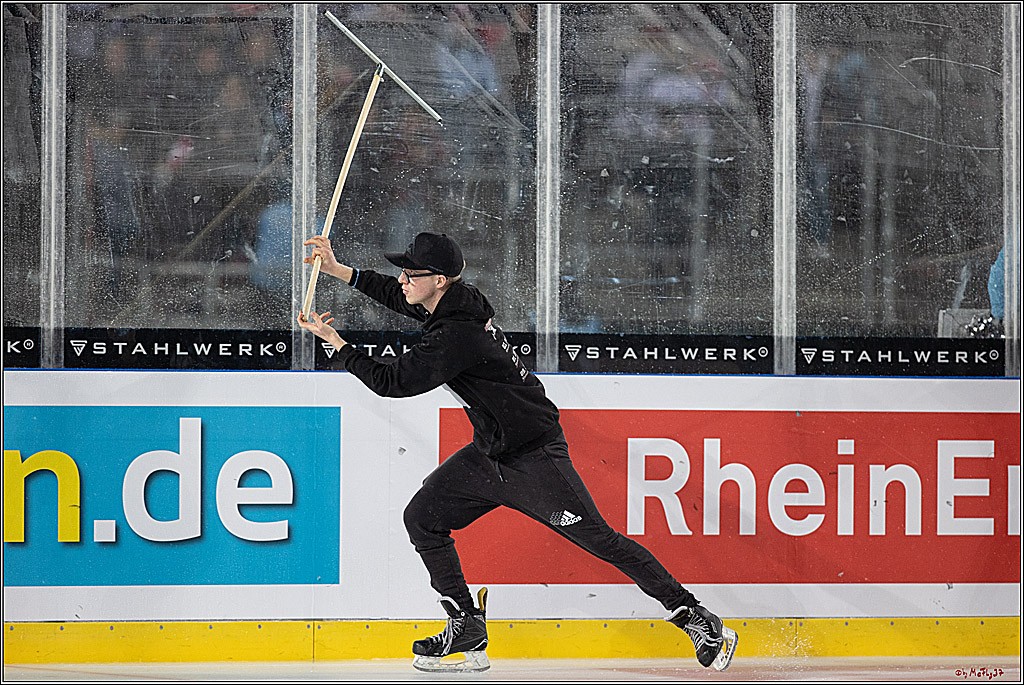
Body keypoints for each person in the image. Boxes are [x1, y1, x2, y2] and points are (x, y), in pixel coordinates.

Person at [297, 232, 738, 673]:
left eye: (413, 273)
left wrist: (338, 345)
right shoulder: (453, 303)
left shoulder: (457, 334)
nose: (403, 279)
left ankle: (698, 618)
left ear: (442, 281)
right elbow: (400, 296)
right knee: (423, 519)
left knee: (600, 539)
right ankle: (466, 624)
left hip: (534, 458)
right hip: (490, 454)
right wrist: (340, 270)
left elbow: (392, 383)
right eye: (405, 270)